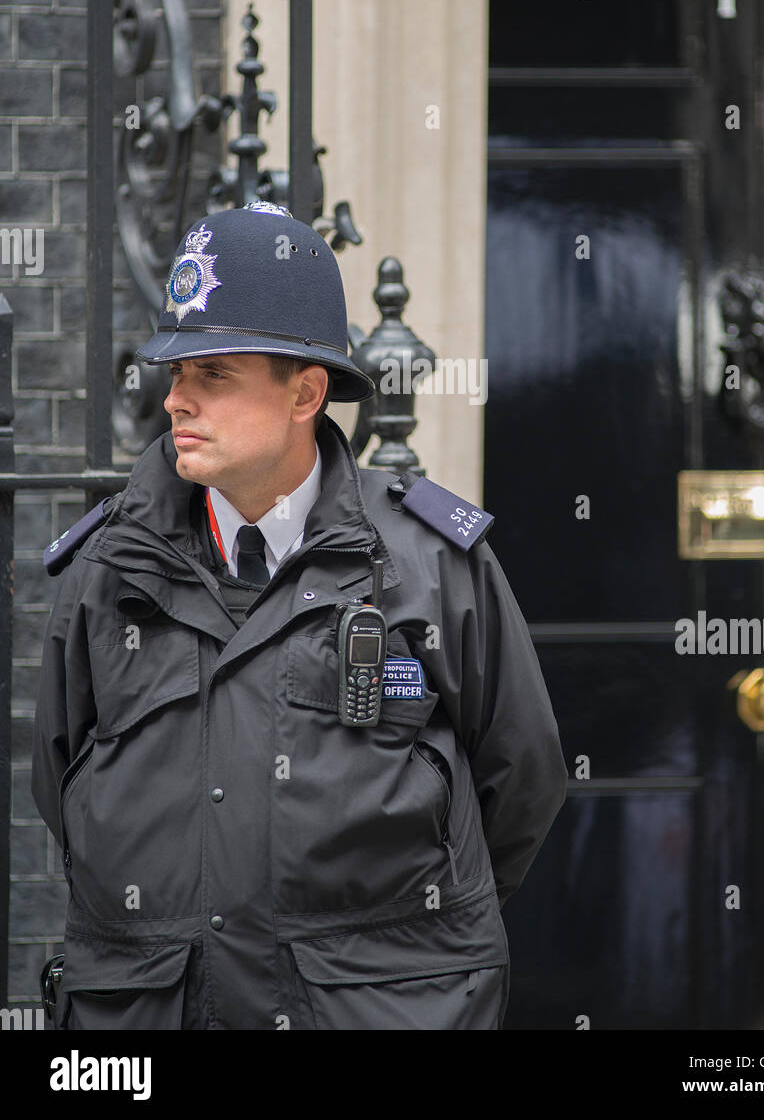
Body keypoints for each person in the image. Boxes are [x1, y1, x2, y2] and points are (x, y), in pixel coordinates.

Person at [31, 200, 568, 1030]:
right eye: (175, 374)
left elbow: (521, 778)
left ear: (305, 393)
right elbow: (59, 779)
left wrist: (395, 950)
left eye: (212, 375)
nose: (177, 400)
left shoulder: (430, 562)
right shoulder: (107, 567)